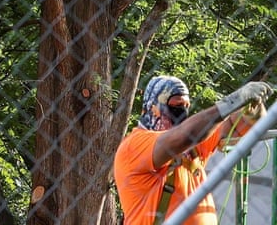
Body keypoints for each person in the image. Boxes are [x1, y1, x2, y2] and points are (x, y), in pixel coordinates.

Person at [113, 74, 269, 224]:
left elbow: (246, 124)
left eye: (186, 106)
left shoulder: (193, 147)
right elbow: (184, 137)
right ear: (153, 107)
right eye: (176, 105)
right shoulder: (134, 145)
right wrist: (233, 100)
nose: (183, 112)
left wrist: (255, 105)